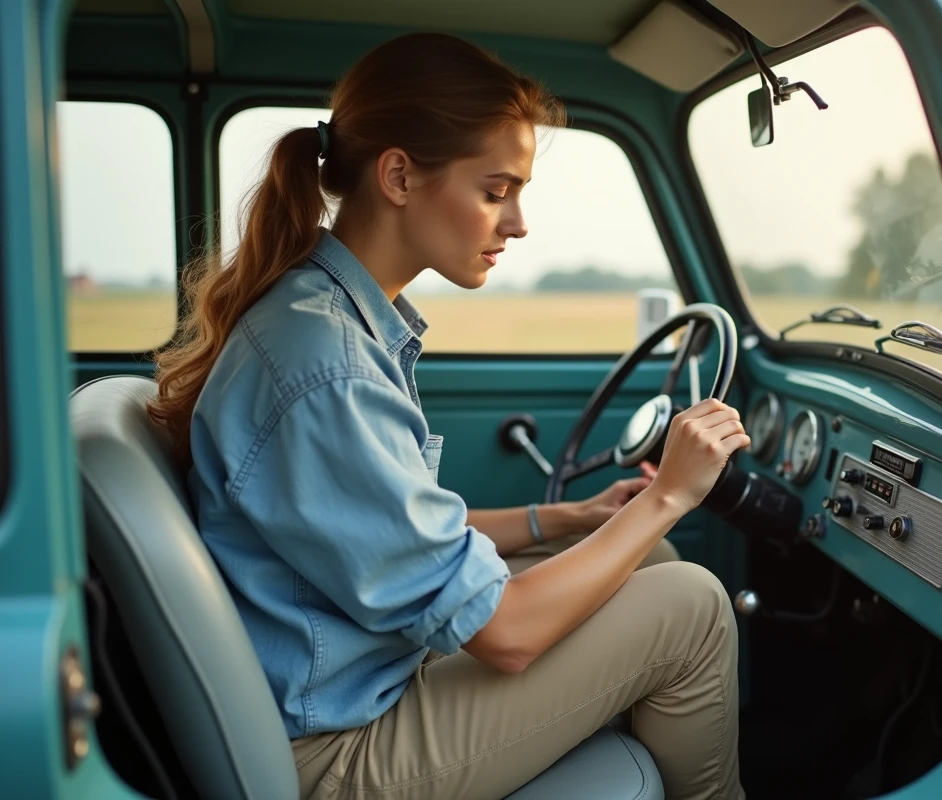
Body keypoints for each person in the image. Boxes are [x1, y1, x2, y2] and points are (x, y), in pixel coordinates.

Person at [148, 31, 748, 800]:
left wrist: (570, 516)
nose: (518, 223)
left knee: (653, 565)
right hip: (335, 752)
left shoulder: (336, 320)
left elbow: (406, 539)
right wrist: (671, 495)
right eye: (496, 190)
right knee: (693, 606)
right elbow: (506, 635)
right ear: (398, 175)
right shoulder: (324, 363)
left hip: (360, 677)